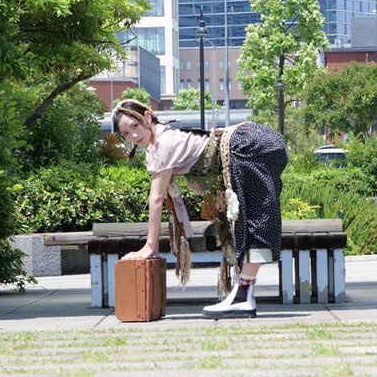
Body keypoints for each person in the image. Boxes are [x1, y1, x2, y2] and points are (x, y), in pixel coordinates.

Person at [112, 98, 288, 319]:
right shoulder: (159, 142)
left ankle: (243, 296)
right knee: (254, 218)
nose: (134, 135)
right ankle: (245, 295)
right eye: (126, 133)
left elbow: (156, 198)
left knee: (256, 220)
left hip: (248, 146)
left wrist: (149, 246)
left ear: (148, 117)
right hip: (250, 144)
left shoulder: (163, 144)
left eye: (135, 126)